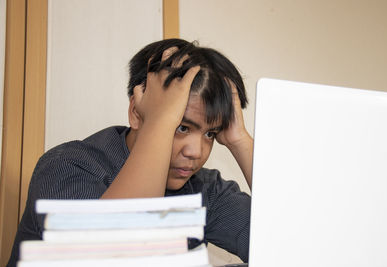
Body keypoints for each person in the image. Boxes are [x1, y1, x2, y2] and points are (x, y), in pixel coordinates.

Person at [7, 38, 253, 266]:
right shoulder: (67, 166)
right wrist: (161, 120)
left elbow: (286, 242)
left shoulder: (205, 188)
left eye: (210, 133)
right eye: (181, 127)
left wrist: (239, 140)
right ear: (136, 112)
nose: (195, 152)